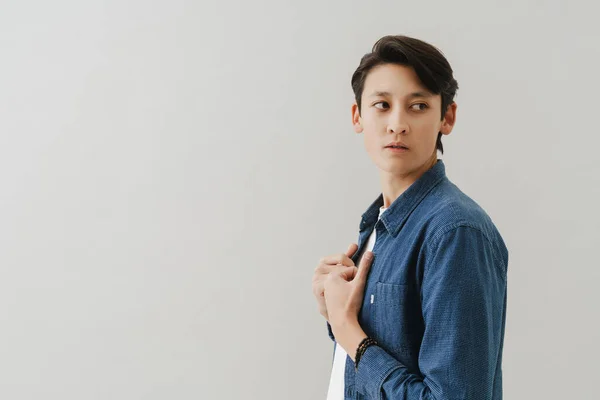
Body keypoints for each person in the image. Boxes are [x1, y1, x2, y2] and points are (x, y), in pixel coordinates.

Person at [312, 35, 508, 399]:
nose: (397, 124)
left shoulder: (455, 232)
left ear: (446, 117)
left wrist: (349, 331)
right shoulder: (378, 224)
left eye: (417, 106)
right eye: (382, 105)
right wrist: (335, 313)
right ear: (358, 116)